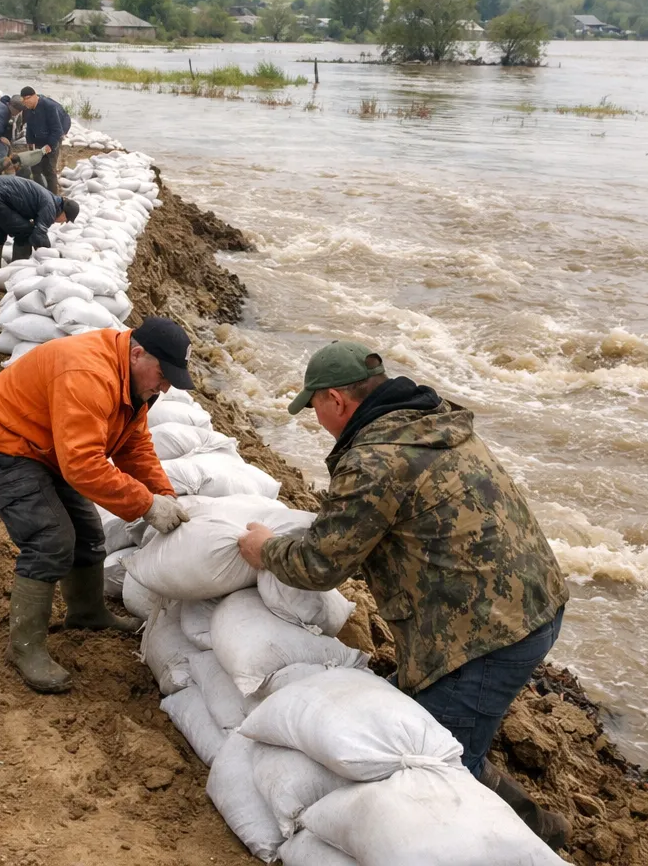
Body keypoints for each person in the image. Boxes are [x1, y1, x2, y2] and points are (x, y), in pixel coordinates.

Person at [236, 340, 571, 849]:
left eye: (315, 407)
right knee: (416, 722)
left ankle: (533, 841)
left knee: (441, 763)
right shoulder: (430, 423)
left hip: (484, 637)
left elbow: (320, 564)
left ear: (337, 401)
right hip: (531, 602)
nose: (314, 417)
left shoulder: (375, 460)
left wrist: (265, 549)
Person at [0, 317, 194, 692]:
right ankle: (24, 648)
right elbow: (83, 465)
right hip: (2, 445)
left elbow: (134, 446)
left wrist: (164, 494)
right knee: (50, 539)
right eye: (163, 376)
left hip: (48, 448)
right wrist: (147, 505)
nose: (164, 388)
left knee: (87, 534)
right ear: (137, 355)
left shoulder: (134, 384)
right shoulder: (89, 374)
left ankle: (87, 614)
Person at [0, 175, 79, 272]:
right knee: (25, 232)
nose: (62, 223)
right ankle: (18, 271)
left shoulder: (49, 199)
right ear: (64, 212)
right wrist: (49, 258)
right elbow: (39, 233)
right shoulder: (50, 206)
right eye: (65, 220)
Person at [19, 87, 71, 193]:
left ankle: (52, 196)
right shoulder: (27, 109)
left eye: (28, 98)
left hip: (51, 139)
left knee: (49, 169)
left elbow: (57, 130)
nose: (26, 102)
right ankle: (41, 192)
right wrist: (29, 142)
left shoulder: (49, 107)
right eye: (24, 100)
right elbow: (29, 127)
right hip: (38, 139)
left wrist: (50, 145)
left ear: (35, 96)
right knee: (35, 168)